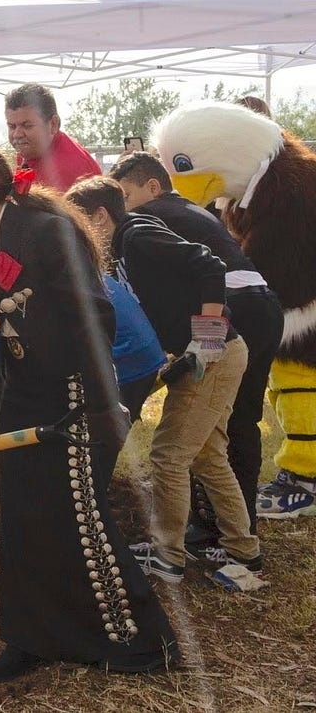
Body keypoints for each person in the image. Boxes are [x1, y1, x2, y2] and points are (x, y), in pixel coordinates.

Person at [0, 140, 177, 682]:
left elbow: (96, 317)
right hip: (22, 393)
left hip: (76, 393)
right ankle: (30, 638)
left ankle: (139, 641)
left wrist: (92, 401)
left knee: (79, 517)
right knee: (23, 518)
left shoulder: (47, 233)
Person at [65, 177, 261, 589]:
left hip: (216, 354)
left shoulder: (137, 234)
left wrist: (206, 339)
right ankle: (245, 551)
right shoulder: (120, 253)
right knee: (208, 455)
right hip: (208, 355)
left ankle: (167, 556)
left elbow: (211, 265)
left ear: (101, 216)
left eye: (79, 224)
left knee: (169, 454)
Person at [110, 152, 284, 552]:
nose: (122, 207)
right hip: (263, 306)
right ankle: (235, 528)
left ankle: (210, 530)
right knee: (238, 423)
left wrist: (205, 344)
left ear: (152, 187)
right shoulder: (188, 209)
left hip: (232, 307)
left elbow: (207, 271)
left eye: (126, 195)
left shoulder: (148, 218)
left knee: (204, 430)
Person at [5, 83, 102, 192]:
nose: (17, 134)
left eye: (27, 126)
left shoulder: (70, 170)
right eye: (12, 126)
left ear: (53, 124)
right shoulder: (29, 152)